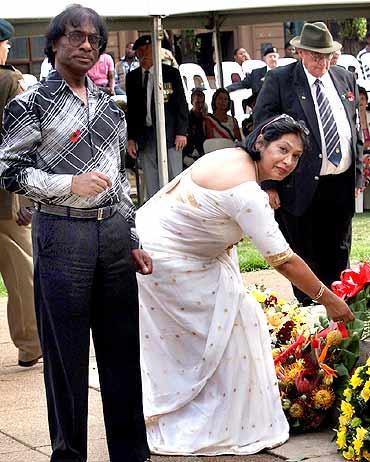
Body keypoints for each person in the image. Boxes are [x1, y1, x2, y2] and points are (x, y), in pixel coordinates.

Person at [135, 114, 354, 455]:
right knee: (235, 324)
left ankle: (204, 413)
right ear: (262, 141)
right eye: (282, 150)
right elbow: (282, 258)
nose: (287, 161)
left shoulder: (232, 157)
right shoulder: (248, 192)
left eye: (296, 156)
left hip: (169, 251)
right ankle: (206, 422)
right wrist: (328, 298)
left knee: (235, 317)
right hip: (164, 263)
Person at [0, 5, 152, 462]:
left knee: (123, 354)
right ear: (54, 44)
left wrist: (133, 239)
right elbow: (9, 170)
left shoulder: (111, 108)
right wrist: (68, 184)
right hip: (61, 236)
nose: (86, 44)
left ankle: (131, 453)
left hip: (111, 240)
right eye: (76, 36)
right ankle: (69, 455)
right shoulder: (30, 103)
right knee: (65, 360)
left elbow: (119, 183)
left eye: (94, 39)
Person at [254, 22, 363, 305]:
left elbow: (353, 129)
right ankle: (310, 318)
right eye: (316, 55)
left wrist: (358, 175)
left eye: (327, 55)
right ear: (300, 52)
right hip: (298, 186)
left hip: (339, 184)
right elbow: (262, 132)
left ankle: (340, 315)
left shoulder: (344, 77)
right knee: (305, 255)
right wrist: (268, 183)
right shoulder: (280, 79)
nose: (322, 61)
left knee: (339, 255)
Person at [0, 18, 42, 368]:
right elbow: (22, 140)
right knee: (21, 272)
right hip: (4, 197)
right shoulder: (9, 81)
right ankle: (31, 344)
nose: (8, 49)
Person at [126, 34, 188, 198]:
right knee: (151, 180)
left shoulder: (170, 73)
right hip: (145, 135)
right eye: (140, 51)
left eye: (147, 50)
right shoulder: (132, 77)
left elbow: (181, 104)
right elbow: (131, 111)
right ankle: (156, 214)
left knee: (174, 179)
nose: (143, 54)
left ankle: (177, 214)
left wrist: (182, 132)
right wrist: (131, 138)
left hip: (170, 134)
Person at [182, 88, 207, 167]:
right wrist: (184, 157)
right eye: (197, 102)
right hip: (188, 157)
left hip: (203, 156)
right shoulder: (185, 119)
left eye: (202, 102)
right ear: (192, 102)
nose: (200, 105)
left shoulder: (206, 119)